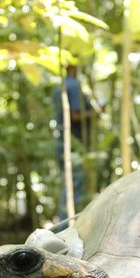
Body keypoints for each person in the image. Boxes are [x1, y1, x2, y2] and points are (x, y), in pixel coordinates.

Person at [54, 64, 91, 222]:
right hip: (73, 144)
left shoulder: (59, 86)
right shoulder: (74, 85)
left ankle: (64, 228)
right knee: (73, 189)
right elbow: (75, 115)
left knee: (68, 187)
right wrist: (95, 113)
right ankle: (67, 231)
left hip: (60, 141)